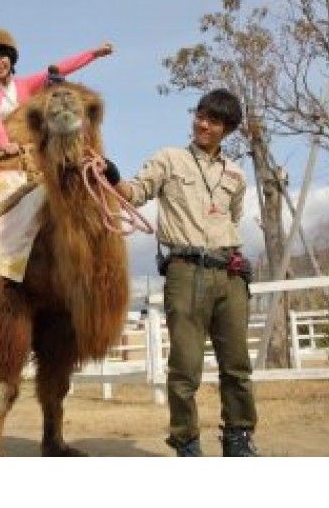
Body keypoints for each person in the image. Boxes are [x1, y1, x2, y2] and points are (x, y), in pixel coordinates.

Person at [107, 88, 258, 457]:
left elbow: (231, 219)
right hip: (186, 271)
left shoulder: (236, 175)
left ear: (227, 129)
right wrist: (111, 176)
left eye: (213, 120)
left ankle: (238, 440)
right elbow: (136, 192)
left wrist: (229, 256)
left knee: (237, 366)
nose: (202, 124)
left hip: (230, 273)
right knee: (185, 369)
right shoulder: (169, 159)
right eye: (200, 115)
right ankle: (187, 443)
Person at [0, 28, 113, 296]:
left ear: (12, 59)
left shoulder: (23, 86)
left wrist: (93, 54)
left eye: (2, 56)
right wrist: (4, 145)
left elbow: (57, 71)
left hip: (13, 159)